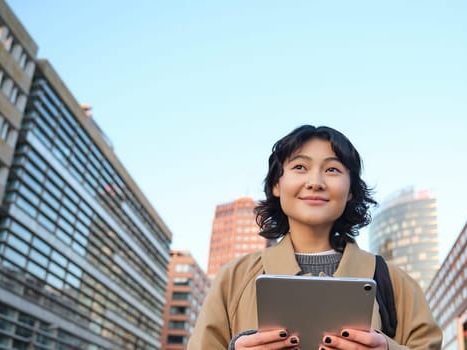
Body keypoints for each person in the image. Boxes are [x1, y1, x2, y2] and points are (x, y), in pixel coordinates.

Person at [188, 125, 442, 349]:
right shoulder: (234, 278)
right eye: (300, 167)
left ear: (351, 190)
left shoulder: (394, 281)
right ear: (277, 184)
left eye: (332, 169)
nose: (315, 181)